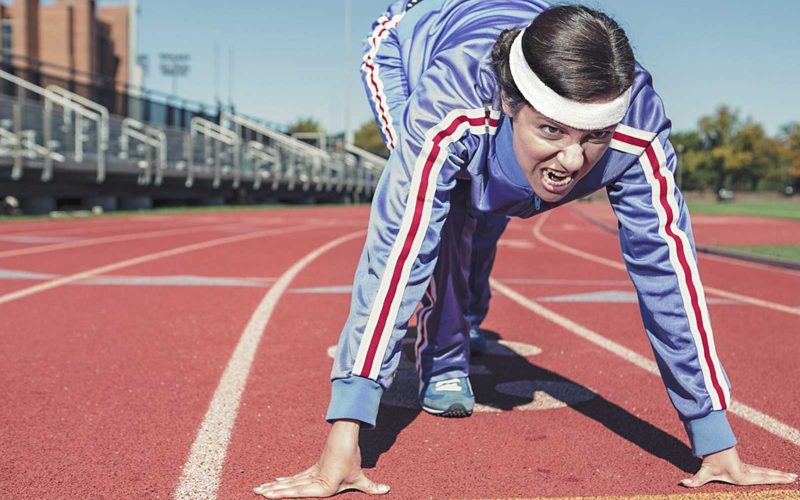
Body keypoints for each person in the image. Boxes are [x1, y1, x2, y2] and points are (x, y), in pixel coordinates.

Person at [254, 1, 798, 497]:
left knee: (494, 208)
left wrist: (714, 438)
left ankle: (467, 313)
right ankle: (443, 357)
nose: (572, 160)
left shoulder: (638, 128)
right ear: (511, 104)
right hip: (407, 45)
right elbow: (397, 253)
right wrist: (344, 435)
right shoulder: (450, 105)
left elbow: (669, 273)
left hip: (511, 60)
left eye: (594, 136)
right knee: (446, 215)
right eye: (552, 131)